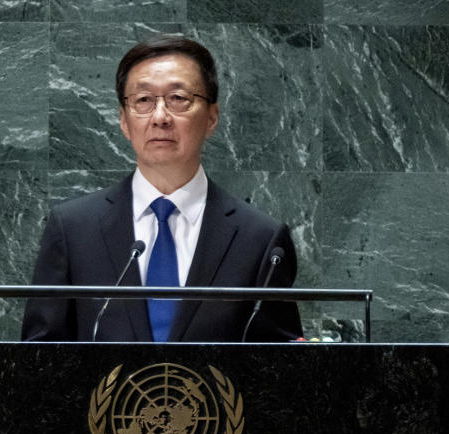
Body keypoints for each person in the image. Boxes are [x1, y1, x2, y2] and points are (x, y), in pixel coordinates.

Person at [21, 35, 302, 342]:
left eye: (178, 99)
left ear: (212, 117)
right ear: (124, 121)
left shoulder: (260, 240)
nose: (160, 117)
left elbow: (280, 371)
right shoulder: (73, 229)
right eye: (143, 101)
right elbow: (39, 360)